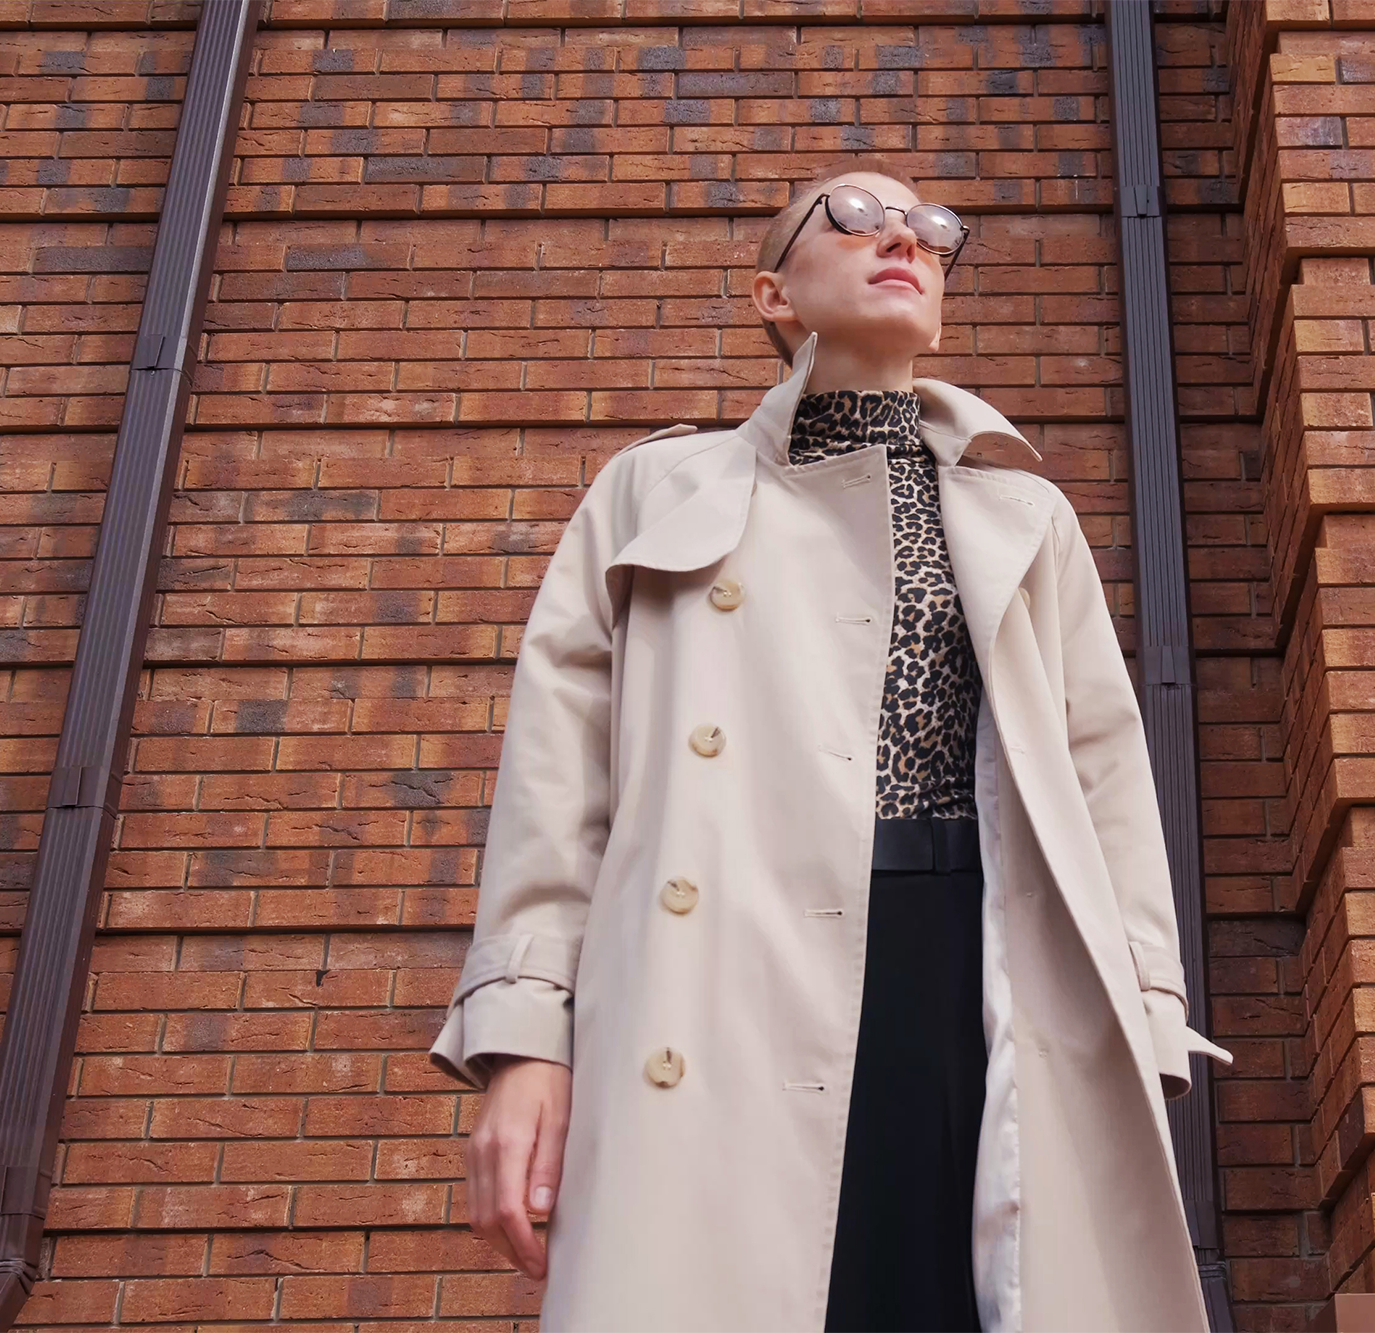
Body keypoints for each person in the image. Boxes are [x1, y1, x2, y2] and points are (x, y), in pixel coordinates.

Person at [428, 156, 1233, 1332]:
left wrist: (1142, 1012)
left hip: (978, 968)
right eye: (853, 216)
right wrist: (522, 1042)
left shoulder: (1024, 511)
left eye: (927, 226)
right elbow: (558, 791)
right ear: (773, 293)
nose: (901, 238)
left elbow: (1102, 773)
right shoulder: (652, 488)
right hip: (720, 977)